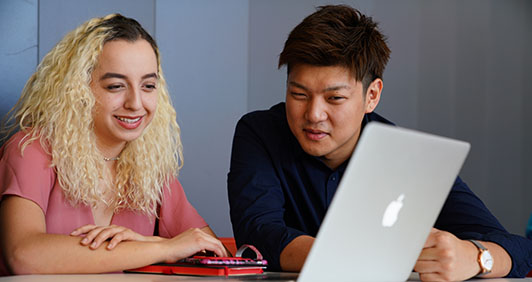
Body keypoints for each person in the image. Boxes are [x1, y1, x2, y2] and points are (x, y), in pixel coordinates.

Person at [227, 5, 532, 280]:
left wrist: (478, 257)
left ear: (371, 95)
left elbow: (516, 247)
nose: (314, 114)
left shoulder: (407, 158)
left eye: (335, 98)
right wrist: (362, 259)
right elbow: (259, 235)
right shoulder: (259, 133)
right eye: (298, 95)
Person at [0, 14, 229, 275]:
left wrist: (150, 243)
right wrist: (162, 249)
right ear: (79, 88)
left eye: (148, 85)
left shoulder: (151, 170)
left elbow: (216, 254)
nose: (135, 103)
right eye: (116, 86)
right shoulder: (32, 151)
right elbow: (24, 255)